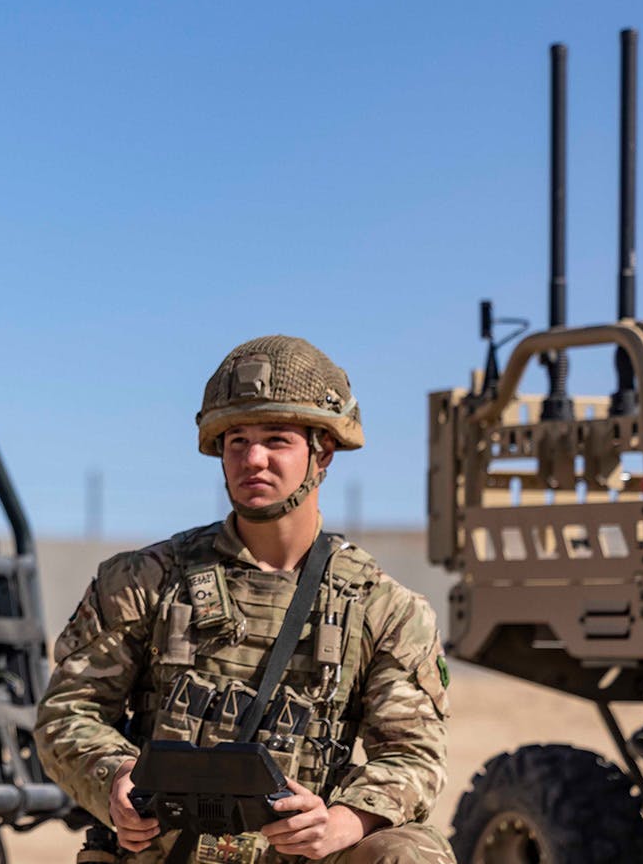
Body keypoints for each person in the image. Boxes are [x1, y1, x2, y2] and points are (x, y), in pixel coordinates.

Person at [34, 336, 454, 864]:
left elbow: (413, 756)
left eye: (276, 439)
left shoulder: (384, 609)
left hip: (298, 856)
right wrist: (115, 778)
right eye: (236, 441)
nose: (252, 459)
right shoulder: (146, 580)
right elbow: (67, 713)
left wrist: (345, 821)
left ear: (322, 452)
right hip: (163, 854)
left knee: (410, 854)